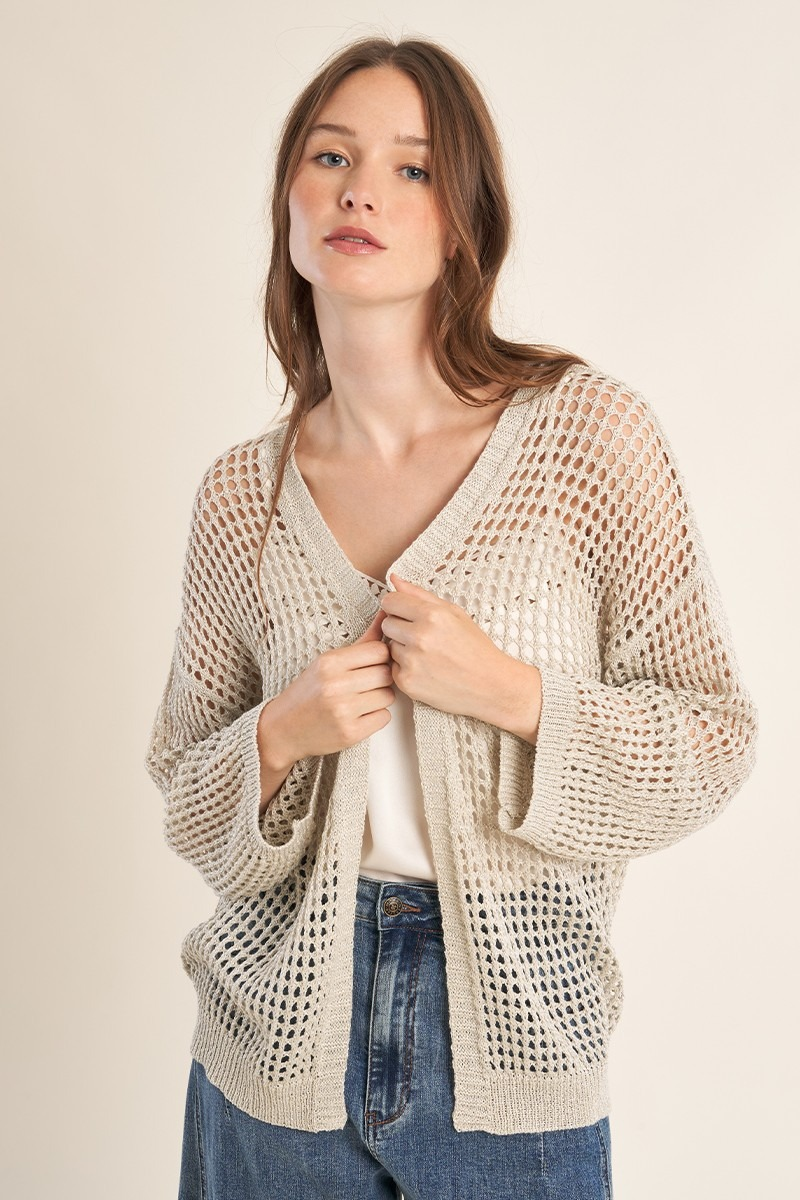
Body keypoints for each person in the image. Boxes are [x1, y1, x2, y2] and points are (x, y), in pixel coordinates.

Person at [144, 34, 759, 1200]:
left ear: (463, 219)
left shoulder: (584, 438)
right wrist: (278, 735)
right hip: (273, 1047)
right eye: (330, 156)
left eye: (411, 167)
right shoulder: (240, 496)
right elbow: (185, 789)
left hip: (514, 1034)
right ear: (288, 198)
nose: (359, 191)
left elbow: (713, 736)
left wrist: (512, 695)